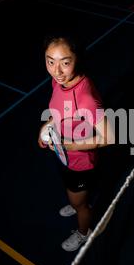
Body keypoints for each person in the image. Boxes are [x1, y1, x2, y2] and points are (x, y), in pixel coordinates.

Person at [38, 33, 114, 252]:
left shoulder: (85, 99)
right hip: (65, 156)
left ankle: (84, 232)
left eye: (65, 63)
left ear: (77, 60)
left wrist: (66, 145)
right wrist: (46, 129)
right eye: (50, 61)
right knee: (74, 196)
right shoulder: (58, 82)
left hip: (81, 163)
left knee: (81, 204)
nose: (56, 71)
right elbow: (58, 112)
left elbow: (109, 138)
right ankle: (76, 203)